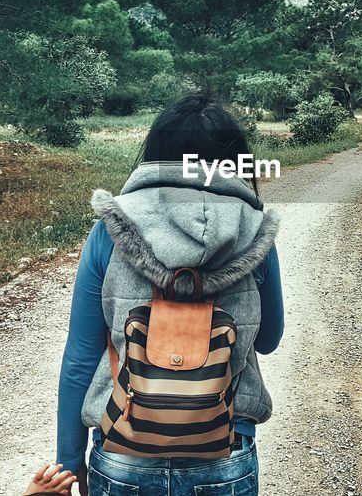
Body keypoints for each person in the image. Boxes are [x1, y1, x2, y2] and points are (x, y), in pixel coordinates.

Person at [56, 94, 284, 495]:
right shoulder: (256, 231)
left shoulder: (110, 228)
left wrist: (69, 463)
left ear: (156, 152)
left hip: (121, 447)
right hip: (225, 447)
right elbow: (268, 340)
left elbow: (81, 354)